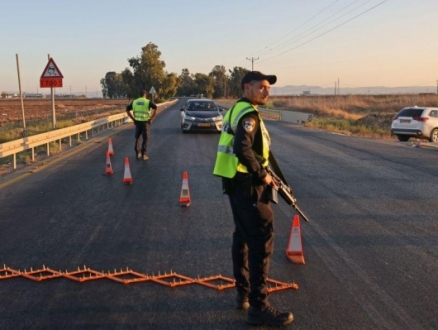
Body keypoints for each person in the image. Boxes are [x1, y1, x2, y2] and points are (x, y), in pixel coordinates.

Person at [213, 71, 293, 326]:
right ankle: (259, 307)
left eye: (268, 87)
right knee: (261, 243)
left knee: (243, 238)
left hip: (236, 185)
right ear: (247, 87)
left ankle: (243, 294)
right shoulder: (248, 114)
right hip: (249, 187)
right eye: (262, 87)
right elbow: (242, 149)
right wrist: (264, 176)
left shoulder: (235, 109)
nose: (266, 92)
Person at [126, 90, 157, 160]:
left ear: (140, 95)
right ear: (145, 95)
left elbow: (127, 109)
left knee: (137, 137)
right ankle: (144, 154)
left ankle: (137, 153)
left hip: (137, 122)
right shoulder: (147, 101)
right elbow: (155, 107)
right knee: (145, 138)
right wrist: (152, 117)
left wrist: (133, 118)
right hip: (145, 122)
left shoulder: (135, 101)